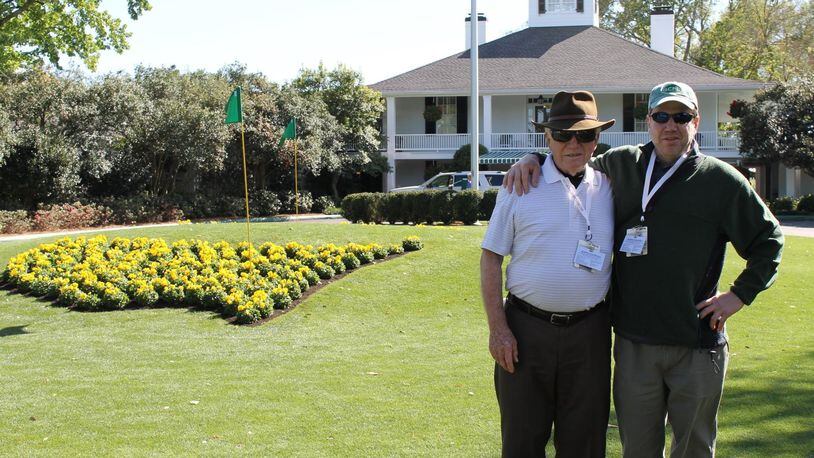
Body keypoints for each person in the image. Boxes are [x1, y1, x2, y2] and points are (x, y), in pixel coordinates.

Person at [504, 81, 784, 457]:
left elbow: (770, 242)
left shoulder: (722, 181)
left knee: (694, 449)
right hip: (635, 345)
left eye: (681, 116)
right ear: (649, 121)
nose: (672, 125)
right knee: (637, 449)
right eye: (662, 116)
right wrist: (533, 159)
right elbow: (571, 156)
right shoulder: (620, 165)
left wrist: (739, 295)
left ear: (695, 121)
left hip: (697, 343)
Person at [481, 90, 616, 457]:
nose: (574, 143)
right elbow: (491, 257)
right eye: (563, 134)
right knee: (523, 441)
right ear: (547, 138)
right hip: (526, 331)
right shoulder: (520, 185)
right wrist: (499, 330)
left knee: (585, 443)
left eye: (584, 135)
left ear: (596, 140)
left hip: (590, 334)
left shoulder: (611, 185)